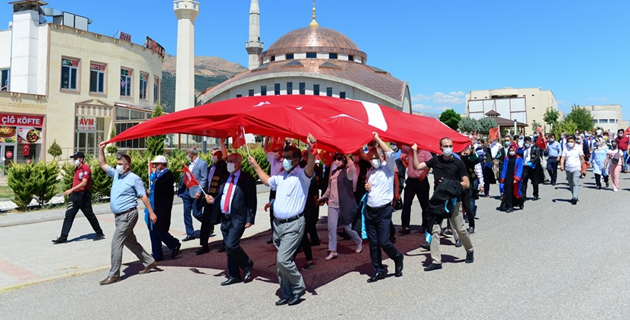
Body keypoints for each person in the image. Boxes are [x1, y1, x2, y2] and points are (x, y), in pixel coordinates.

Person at [248, 134, 317, 306]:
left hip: (294, 224)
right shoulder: (282, 177)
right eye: (283, 156)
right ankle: (287, 292)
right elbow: (267, 180)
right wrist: (256, 166)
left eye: (287, 157)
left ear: (296, 160)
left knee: (283, 260)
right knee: (282, 262)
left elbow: (310, 165)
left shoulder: (302, 176)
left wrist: (311, 148)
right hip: (278, 224)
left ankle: (298, 286)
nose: (283, 160)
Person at [97, 145, 157, 285]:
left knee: (116, 243)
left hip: (128, 214)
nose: (117, 166)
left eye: (120, 164)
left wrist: (152, 212)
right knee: (130, 241)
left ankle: (114, 274)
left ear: (127, 165)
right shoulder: (117, 175)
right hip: (118, 216)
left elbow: (143, 196)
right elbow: (102, 164)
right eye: (116, 164)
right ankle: (149, 261)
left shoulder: (134, 179)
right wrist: (101, 149)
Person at [412, 138, 474, 271]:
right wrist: (414, 152)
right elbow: (417, 167)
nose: (448, 148)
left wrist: (447, 183)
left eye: (450, 146)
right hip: (438, 201)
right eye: (446, 146)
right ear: (440, 148)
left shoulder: (458, 163)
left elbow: (466, 184)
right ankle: (436, 260)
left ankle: (469, 250)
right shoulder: (436, 160)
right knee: (435, 230)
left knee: (460, 229)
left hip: (452, 201)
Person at [205, 153, 256, 285]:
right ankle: (234, 275)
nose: (229, 163)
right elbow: (221, 195)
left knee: (232, 244)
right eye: (228, 161)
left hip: (238, 217)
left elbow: (252, 200)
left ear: (239, 163)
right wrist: (212, 200)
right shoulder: (224, 177)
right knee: (229, 249)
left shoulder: (247, 179)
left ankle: (247, 264)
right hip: (225, 217)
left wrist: (250, 218)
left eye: (232, 161)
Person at [362, 132, 404, 282]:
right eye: (371, 158)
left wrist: (377, 139)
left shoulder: (388, 167)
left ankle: (397, 257)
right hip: (370, 210)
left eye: (376, 157)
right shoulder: (370, 172)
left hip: (383, 210)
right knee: (373, 243)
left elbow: (390, 153)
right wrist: (366, 187)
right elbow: (369, 187)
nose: (373, 160)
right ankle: (378, 270)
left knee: (383, 241)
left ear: (381, 156)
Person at [52, 151, 105, 244]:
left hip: (83, 195)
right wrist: (73, 192)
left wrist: (71, 190)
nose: (74, 160)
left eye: (76, 158)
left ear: (81, 159)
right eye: (74, 159)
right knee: (69, 215)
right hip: (74, 196)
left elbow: (84, 183)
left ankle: (99, 233)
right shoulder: (77, 169)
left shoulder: (86, 168)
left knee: (89, 215)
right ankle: (63, 237)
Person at [318, 153, 361, 261]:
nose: (337, 161)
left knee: (348, 227)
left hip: (344, 204)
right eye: (335, 159)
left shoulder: (347, 172)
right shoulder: (333, 172)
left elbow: (352, 168)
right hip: (333, 204)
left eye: (339, 159)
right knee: (331, 228)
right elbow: (329, 187)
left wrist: (347, 156)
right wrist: (323, 197)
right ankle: (333, 250)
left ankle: (358, 241)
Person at [146, 156, 180, 261]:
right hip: (154, 205)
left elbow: (163, 190)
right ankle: (157, 254)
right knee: (152, 229)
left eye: (156, 164)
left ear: (162, 164)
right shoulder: (156, 175)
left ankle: (174, 243)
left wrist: (154, 189)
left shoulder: (167, 175)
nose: (155, 166)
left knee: (159, 229)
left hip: (162, 207)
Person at [197, 145, 228, 255]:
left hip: (218, 198)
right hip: (208, 198)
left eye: (215, 154)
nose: (212, 156)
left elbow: (226, 158)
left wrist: (223, 143)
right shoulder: (210, 168)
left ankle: (226, 243)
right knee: (205, 223)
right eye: (212, 154)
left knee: (223, 222)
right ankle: (204, 245)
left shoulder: (223, 167)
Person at [399, 145, 431, 234]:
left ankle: (425, 226)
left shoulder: (426, 152)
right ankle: (405, 226)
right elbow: (399, 145)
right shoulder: (409, 150)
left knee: (424, 205)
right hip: (410, 182)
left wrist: (424, 174)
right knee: (406, 204)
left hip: (422, 181)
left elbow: (429, 164)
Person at [178, 148, 208, 242]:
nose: (187, 155)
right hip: (186, 191)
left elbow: (204, 179)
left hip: (196, 192)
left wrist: (199, 191)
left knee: (196, 213)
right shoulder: (189, 164)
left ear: (191, 154)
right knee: (186, 213)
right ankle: (190, 233)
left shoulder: (202, 164)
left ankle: (208, 224)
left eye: (187, 153)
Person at [460, 146, 484, 234]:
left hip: (469, 183)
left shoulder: (470, 159)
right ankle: (450, 226)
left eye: (467, 150)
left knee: (468, 205)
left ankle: (471, 224)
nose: (465, 152)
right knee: (454, 206)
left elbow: (476, 158)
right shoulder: (457, 158)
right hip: (457, 183)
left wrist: (481, 184)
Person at [559, 135, 586, 205]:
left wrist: (584, 169)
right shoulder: (565, 148)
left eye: (571, 141)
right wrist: (561, 165)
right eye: (569, 141)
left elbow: (582, 159)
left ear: (574, 142)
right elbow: (562, 158)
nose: (570, 143)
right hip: (568, 168)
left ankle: (575, 197)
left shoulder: (578, 148)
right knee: (571, 184)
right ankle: (574, 195)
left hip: (576, 168)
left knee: (575, 182)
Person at [499, 145, 524, 212]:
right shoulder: (507, 158)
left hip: (515, 176)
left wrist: (517, 178)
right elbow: (504, 168)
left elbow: (520, 169)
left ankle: (520, 202)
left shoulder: (519, 158)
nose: (511, 152)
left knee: (516, 191)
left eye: (512, 150)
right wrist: (502, 178)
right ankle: (510, 206)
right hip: (508, 177)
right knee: (508, 192)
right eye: (510, 150)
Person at [521, 136, 542, 201]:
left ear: (530, 142)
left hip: (533, 167)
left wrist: (531, 163)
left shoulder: (535, 148)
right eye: (525, 142)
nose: (527, 143)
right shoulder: (523, 149)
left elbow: (537, 156)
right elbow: (518, 154)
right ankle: (523, 196)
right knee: (524, 182)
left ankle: (535, 194)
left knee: (534, 181)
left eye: (528, 142)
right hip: (525, 167)